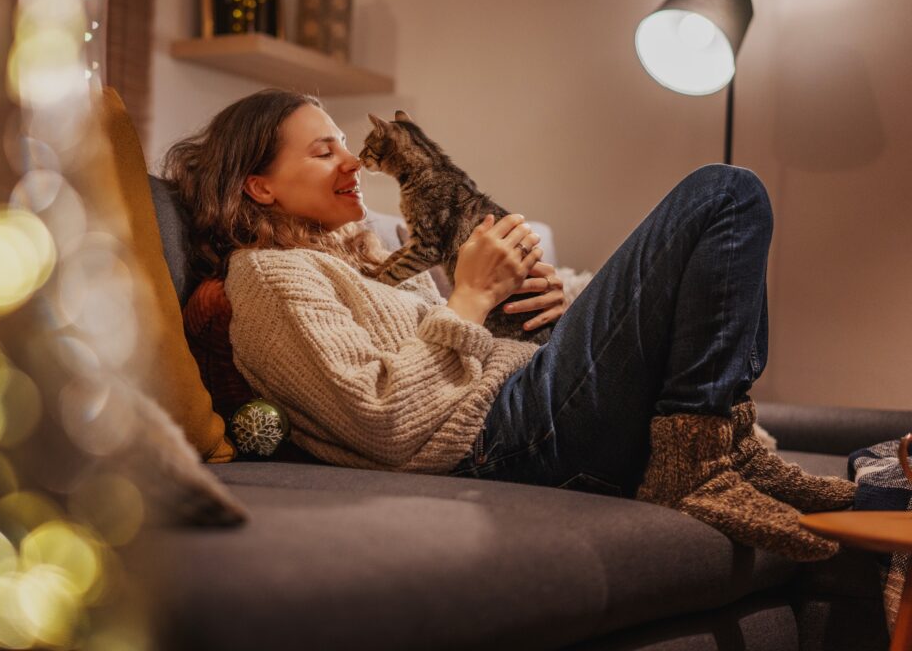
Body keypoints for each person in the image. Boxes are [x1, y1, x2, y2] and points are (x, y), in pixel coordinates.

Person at [164, 89, 856, 561]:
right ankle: (696, 463)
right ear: (258, 185)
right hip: (505, 437)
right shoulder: (268, 277)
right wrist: (465, 298)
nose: (352, 163)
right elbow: (382, 422)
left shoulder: (371, 262)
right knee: (722, 194)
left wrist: (531, 308)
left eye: (346, 145)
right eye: (323, 152)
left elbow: (451, 355)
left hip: (527, 401)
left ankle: (725, 446)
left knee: (717, 233)